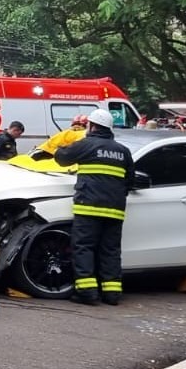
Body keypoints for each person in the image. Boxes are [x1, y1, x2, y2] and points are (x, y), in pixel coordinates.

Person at [53, 109, 134, 305]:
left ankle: (87, 293)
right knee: (111, 250)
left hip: (88, 207)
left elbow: (61, 157)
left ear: (92, 126)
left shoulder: (87, 144)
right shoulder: (123, 151)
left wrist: (67, 140)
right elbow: (129, 181)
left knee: (83, 247)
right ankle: (112, 294)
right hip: (115, 210)